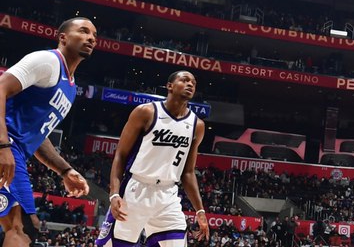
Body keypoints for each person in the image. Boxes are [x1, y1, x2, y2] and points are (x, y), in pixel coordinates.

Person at [0, 17, 96, 247]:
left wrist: (65, 170)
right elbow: (0, 88)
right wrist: (2, 145)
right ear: (63, 37)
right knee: (20, 227)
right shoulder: (47, 60)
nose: (91, 37)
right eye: (83, 31)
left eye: (94, 35)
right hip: (7, 146)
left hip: (17, 151)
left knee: (21, 226)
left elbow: (38, 136)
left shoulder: (70, 88)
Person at [96, 71, 209, 247]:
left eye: (194, 82)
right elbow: (121, 155)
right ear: (169, 86)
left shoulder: (197, 125)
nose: (190, 85)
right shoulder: (145, 112)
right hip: (135, 190)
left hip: (168, 194)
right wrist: (115, 193)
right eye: (185, 80)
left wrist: (200, 210)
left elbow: (188, 172)